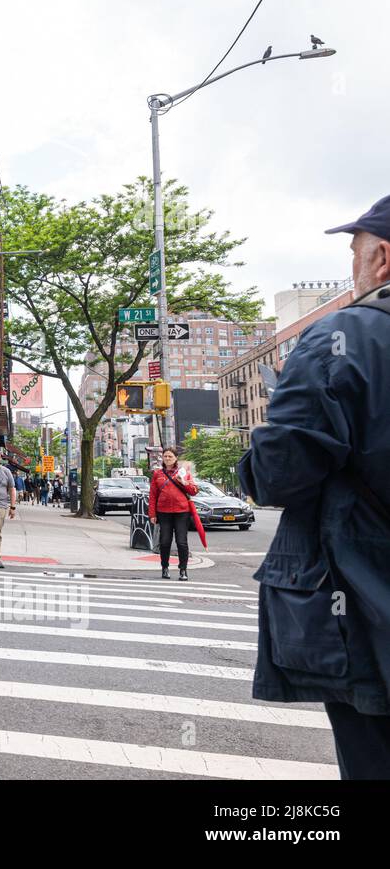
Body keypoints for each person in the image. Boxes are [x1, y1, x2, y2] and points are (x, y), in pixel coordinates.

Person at [239, 194, 390, 779]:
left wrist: (269, 427)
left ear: (381, 258)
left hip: (368, 611)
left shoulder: (340, 341)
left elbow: (276, 475)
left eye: (355, 254)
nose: (353, 270)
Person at [149, 446, 197, 580]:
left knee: (182, 542)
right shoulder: (157, 474)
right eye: (165, 456)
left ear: (176, 458)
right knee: (164, 542)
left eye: (170, 456)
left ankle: (183, 570)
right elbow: (153, 495)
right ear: (162, 458)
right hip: (163, 512)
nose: (168, 458)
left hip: (181, 512)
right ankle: (165, 568)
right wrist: (152, 514)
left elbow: (194, 490)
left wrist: (184, 482)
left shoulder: (183, 472)